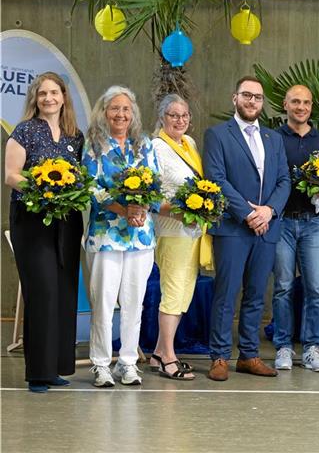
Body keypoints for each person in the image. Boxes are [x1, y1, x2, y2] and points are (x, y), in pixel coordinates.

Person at [203, 76, 290, 382]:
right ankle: (219, 357)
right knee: (226, 294)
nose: (253, 101)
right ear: (235, 98)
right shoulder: (217, 134)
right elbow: (216, 178)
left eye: (258, 97)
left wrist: (269, 211)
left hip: (266, 227)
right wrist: (247, 214)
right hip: (233, 228)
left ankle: (249, 355)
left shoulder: (273, 138)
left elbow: (284, 181)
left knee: (256, 295)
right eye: (247, 95)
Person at [4, 72, 84, 393]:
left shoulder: (74, 135)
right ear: (35, 99)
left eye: (54, 92)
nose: (48, 98)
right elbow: (11, 175)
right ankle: (37, 372)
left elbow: (78, 176)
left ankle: (55, 368)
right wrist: (44, 186)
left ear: (64, 96)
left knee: (64, 292)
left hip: (67, 219)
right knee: (43, 293)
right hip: (32, 220)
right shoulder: (23, 131)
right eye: (42, 94)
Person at [83, 86, 160, 388]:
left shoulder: (145, 145)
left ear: (133, 114)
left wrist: (140, 208)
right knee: (103, 303)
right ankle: (101, 364)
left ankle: (127, 363)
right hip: (106, 237)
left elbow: (154, 184)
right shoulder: (94, 145)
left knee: (134, 303)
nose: (121, 114)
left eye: (126, 109)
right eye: (114, 108)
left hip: (140, 237)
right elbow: (91, 188)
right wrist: (122, 209)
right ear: (104, 112)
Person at [272, 85, 319, 372]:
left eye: (306, 102)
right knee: (283, 286)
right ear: (285, 104)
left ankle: (311, 348)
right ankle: (283, 347)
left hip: (312, 223)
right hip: (281, 221)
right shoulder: (273, 138)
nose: (301, 107)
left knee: (316, 288)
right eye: (295, 101)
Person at [148, 94, 202, 380]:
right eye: (173, 115)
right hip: (170, 231)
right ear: (162, 118)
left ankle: (158, 352)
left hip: (192, 231)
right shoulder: (155, 147)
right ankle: (169, 356)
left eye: (184, 115)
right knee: (172, 292)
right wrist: (177, 212)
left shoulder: (189, 144)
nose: (179, 120)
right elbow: (151, 197)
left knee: (184, 294)